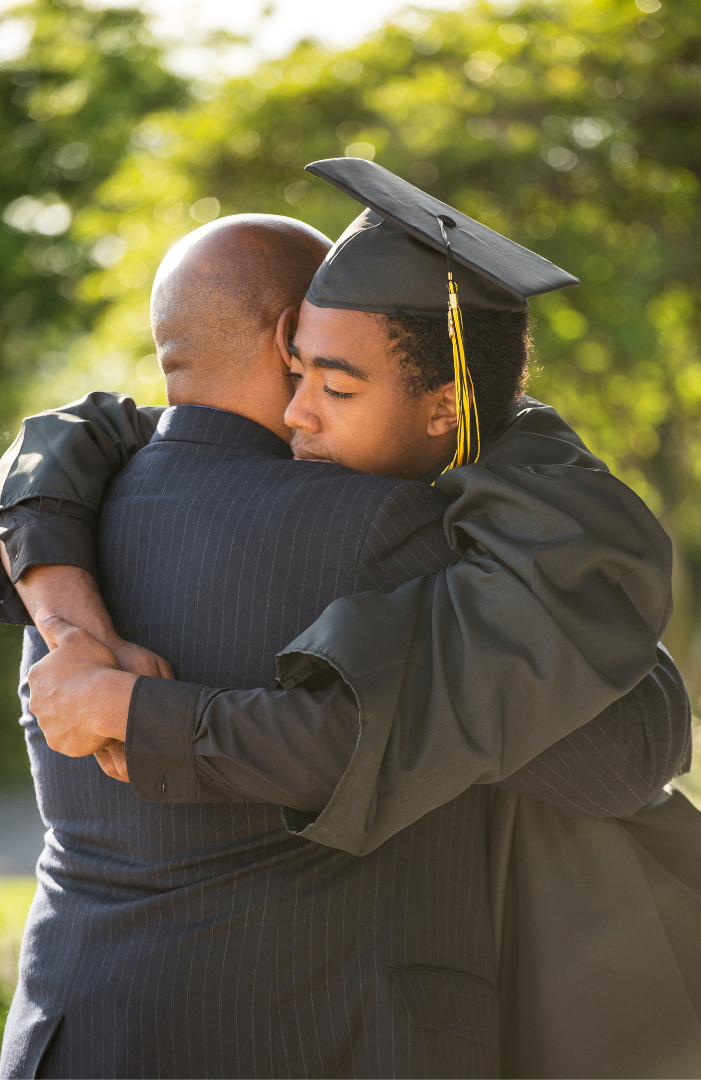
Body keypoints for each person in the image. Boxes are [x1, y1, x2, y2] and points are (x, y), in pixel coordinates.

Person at [0, 163, 693, 1078]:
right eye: (310, 368)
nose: (303, 411)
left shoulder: (63, 521)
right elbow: (621, 759)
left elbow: (80, 432)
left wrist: (87, 653)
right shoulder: (403, 527)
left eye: (336, 381)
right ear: (290, 333)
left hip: (71, 1032)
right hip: (327, 1038)